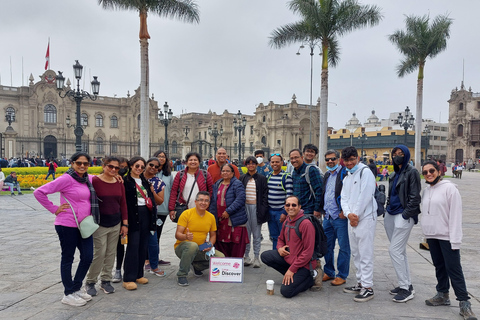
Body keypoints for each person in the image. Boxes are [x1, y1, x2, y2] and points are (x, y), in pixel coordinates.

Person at [33, 152, 96, 306]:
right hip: (67, 224)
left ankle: (76, 287)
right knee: (68, 257)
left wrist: (117, 177)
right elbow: (39, 192)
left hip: (84, 225)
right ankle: (68, 293)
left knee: (88, 256)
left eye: (85, 163)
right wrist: (54, 208)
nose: (82, 166)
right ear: (72, 163)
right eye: (78, 163)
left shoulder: (88, 179)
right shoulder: (66, 179)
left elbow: (105, 178)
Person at [421, 161, 477, 320]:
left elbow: (455, 216)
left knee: (454, 269)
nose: (428, 174)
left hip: (447, 237)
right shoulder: (426, 190)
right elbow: (426, 214)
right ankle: (442, 294)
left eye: (431, 170)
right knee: (439, 266)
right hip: (432, 236)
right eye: (425, 172)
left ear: (438, 171)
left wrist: (455, 240)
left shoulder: (450, 189)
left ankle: (464, 304)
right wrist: (425, 235)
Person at [85, 156, 128, 296]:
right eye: (111, 167)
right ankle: (90, 281)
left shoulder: (118, 181)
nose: (114, 170)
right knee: (100, 252)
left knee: (111, 253)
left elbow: (123, 203)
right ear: (104, 166)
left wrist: (125, 223)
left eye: (117, 168)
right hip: (100, 223)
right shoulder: (94, 181)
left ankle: (106, 280)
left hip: (116, 222)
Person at [340, 146, 377, 302]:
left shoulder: (365, 172)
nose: (349, 163)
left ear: (357, 158)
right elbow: (344, 198)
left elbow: (366, 196)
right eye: (346, 160)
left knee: (365, 252)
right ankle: (361, 282)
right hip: (352, 219)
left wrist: (356, 215)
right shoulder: (348, 176)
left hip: (365, 218)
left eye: (351, 160)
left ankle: (368, 287)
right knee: (355, 252)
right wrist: (349, 214)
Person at [261, 196, 316, 298]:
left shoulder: (306, 224)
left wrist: (292, 269)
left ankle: (309, 280)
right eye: (288, 205)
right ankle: (292, 276)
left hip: (304, 265)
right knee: (265, 256)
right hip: (290, 259)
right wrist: (280, 248)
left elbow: (308, 252)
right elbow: (280, 239)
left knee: (286, 292)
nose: (290, 207)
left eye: (294, 205)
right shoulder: (287, 220)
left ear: (299, 207)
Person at [385, 145, 421, 303]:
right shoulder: (393, 174)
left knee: (394, 250)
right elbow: (390, 194)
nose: (397, 156)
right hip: (391, 214)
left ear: (406, 156)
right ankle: (407, 284)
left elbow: (415, 196)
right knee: (400, 251)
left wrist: (406, 214)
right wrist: (387, 208)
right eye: (395, 154)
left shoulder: (412, 172)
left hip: (403, 215)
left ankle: (405, 289)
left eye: (401, 154)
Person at [174, 191, 225, 286]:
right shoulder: (186, 214)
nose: (203, 203)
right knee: (192, 245)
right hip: (183, 247)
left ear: (209, 203)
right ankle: (182, 274)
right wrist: (185, 236)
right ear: (195, 201)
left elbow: (213, 235)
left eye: (206, 201)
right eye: (201, 200)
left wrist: (210, 244)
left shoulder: (211, 217)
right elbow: (177, 234)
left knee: (220, 257)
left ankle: (197, 266)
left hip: (201, 247)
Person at [122, 156, 157, 291]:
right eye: (137, 166)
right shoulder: (125, 181)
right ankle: (128, 278)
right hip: (133, 215)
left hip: (146, 215)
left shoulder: (144, 181)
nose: (139, 169)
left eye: (142, 167)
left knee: (143, 245)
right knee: (133, 246)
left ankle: (138, 274)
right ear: (131, 166)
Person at [320, 150, 350, 287]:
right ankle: (329, 271)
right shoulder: (327, 175)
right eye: (327, 160)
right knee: (327, 246)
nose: (330, 161)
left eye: (332, 159)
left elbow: (349, 193)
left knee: (343, 247)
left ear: (338, 159)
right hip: (327, 216)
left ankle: (342, 275)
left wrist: (345, 210)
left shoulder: (345, 173)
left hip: (340, 216)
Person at [209, 163, 248, 257]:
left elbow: (240, 199)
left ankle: (234, 268)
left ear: (232, 173)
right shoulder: (217, 184)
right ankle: (224, 265)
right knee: (221, 243)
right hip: (220, 219)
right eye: (223, 171)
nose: (225, 173)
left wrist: (228, 211)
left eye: (227, 171)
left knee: (235, 243)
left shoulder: (237, 184)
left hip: (233, 219)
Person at [239, 156, 269, 268]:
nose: (251, 165)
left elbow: (265, 195)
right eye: (248, 163)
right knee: (246, 234)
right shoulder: (242, 178)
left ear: (256, 165)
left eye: (253, 163)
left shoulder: (261, 178)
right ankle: (246, 256)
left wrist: (263, 209)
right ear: (246, 165)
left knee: (256, 234)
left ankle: (256, 257)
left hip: (257, 208)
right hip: (245, 208)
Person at [169, 152, 214, 221]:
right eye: (190, 160)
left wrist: (208, 206)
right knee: (184, 230)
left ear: (199, 162)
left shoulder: (205, 174)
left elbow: (211, 191)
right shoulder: (180, 174)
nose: (193, 162)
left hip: (201, 209)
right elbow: (174, 192)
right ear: (186, 162)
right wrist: (171, 209)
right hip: (184, 209)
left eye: (195, 160)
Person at [143, 157, 167, 277]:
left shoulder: (159, 182)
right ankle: (135, 267)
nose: (153, 168)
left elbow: (160, 201)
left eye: (156, 167)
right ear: (146, 165)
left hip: (151, 215)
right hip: (136, 215)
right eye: (151, 165)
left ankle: (154, 266)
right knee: (135, 242)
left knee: (153, 242)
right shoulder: (135, 179)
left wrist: (152, 191)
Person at [266, 153, 293, 250]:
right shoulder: (268, 176)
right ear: (270, 163)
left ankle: (284, 259)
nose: (275, 164)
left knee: (284, 237)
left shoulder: (286, 177)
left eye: (277, 161)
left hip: (280, 212)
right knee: (274, 237)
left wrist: (284, 212)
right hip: (270, 211)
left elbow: (289, 196)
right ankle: (275, 258)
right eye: (272, 162)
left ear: (282, 163)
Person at [152, 150, 173, 267]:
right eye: (159, 156)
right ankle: (147, 259)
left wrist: (171, 208)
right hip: (150, 209)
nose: (161, 158)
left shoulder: (168, 174)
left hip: (163, 209)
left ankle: (155, 257)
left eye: (163, 157)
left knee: (158, 235)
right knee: (150, 234)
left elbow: (172, 191)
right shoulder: (150, 172)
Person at [289, 149, 323, 216]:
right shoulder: (294, 172)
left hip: (309, 211)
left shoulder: (311, 170)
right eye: (292, 158)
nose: (294, 160)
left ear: (302, 157)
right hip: (297, 210)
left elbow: (319, 190)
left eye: (296, 157)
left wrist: (317, 209)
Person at [112, 157, 130, 283]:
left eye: (124, 167)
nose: (122, 170)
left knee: (121, 245)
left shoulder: (126, 181)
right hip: (110, 217)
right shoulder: (105, 180)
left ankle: (119, 269)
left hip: (124, 218)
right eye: (120, 167)